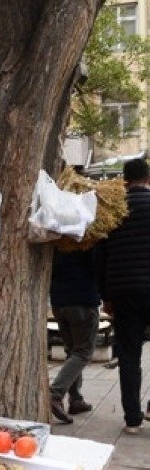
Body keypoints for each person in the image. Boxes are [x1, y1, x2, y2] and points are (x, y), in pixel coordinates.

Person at [98, 157, 150, 434]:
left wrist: (105, 295)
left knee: (129, 355)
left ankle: (132, 418)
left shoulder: (114, 212)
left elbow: (100, 256)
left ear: (125, 181)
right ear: (148, 179)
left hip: (123, 291)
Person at [48, 247, 100, 424]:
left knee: (72, 351)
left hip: (59, 301)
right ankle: (55, 393)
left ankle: (76, 399)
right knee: (83, 352)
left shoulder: (58, 238)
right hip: (83, 300)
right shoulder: (90, 239)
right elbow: (98, 265)